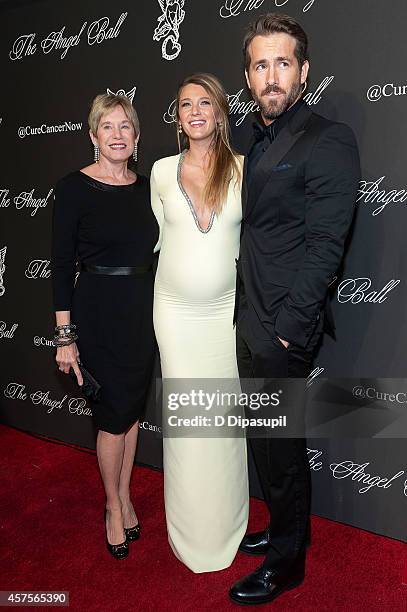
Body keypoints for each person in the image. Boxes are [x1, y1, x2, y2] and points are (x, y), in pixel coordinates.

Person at [229, 14, 361, 605]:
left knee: (281, 450)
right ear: (249, 77)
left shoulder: (328, 139)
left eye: (283, 63)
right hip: (248, 319)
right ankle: (285, 529)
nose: (272, 75)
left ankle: (288, 566)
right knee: (265, 441)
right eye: (261, 65)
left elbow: (325, 247)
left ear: (303, 71)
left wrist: (288, 331)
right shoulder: (254, 139)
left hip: (283, 326)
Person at [51, 93, 158, 560]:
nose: (118, 134)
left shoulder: (148, 186)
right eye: (107, 126)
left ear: (136, 137)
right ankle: (113, 505)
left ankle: (127, 493)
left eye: (125, 126)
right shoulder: (73, 188)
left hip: (142, 313)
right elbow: (59, 266)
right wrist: (65, 337)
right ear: (93, 135)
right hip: (97, 314)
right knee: (112, 420)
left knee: (130, 414)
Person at [150, 73, 249, 573]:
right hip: (174, 315)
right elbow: (160, 237)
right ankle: (187, 532)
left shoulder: (243, 169)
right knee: (188, 424)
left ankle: (229, 525)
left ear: (219, 112)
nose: (194, 111)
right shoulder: (162, 172)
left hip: (225, 317)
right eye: (185, 103)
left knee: (223, 424)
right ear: (178, 116)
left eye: (203, 103)